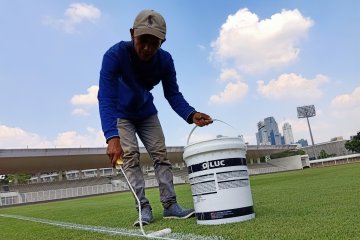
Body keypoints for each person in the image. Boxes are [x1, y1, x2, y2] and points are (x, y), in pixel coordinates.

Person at [97, 9, 212, 226]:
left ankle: (170, 206)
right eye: (143, 40)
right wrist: (112, 136)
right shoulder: (115, 55)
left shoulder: (165, 61)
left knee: (161, 155)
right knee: (130, 156)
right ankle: (143, 208)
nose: (148, 48)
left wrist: (191, 114)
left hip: (146, 112)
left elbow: (173, 94)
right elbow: (106, 97)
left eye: (155, 42)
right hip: (121, 114)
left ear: (162, 42)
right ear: (133, 34)